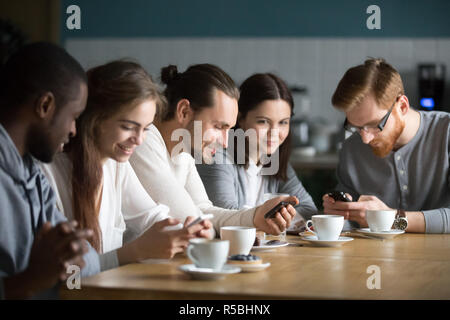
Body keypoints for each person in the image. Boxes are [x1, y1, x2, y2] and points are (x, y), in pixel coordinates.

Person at [40, 60, 211, 269]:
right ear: (95, 119)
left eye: (146, 128)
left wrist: (186, 231)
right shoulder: (48, 172)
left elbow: (150, 216)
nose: (139, 140)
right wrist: (135, 250)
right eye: (128, 127)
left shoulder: (116, 165)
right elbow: (68, 270)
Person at [130, 64, 299, 237]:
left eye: (229, 129)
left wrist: (256, 216)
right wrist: (211, 226)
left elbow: (204, 211)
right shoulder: (143, 140)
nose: (225, 143)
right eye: (219, 127)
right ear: (184, 111)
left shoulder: (183, 151)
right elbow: (198, 224)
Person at [0, 42, 100, 299]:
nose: (74, 130)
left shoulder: (31, 172)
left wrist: (71, 254)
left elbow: (89, 261)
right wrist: (31, 279)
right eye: (73, 116)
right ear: (45, 105)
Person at [322, 58, 450, 233]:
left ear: (402, 106)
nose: (365, 139)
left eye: (375, 125)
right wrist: (339, 214)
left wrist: (391, 219)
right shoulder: (351, 149)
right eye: (357, 127)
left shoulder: (446, 132)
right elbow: (352, 225)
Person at [196, 73, 317, 232]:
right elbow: (226, 217)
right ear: (241, 118)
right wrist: (276, 217)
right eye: (263, 122)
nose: (274, 132)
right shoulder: (217, 157)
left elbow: (309, 211)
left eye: (283, 122)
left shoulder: (276, 163)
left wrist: (274, 217)